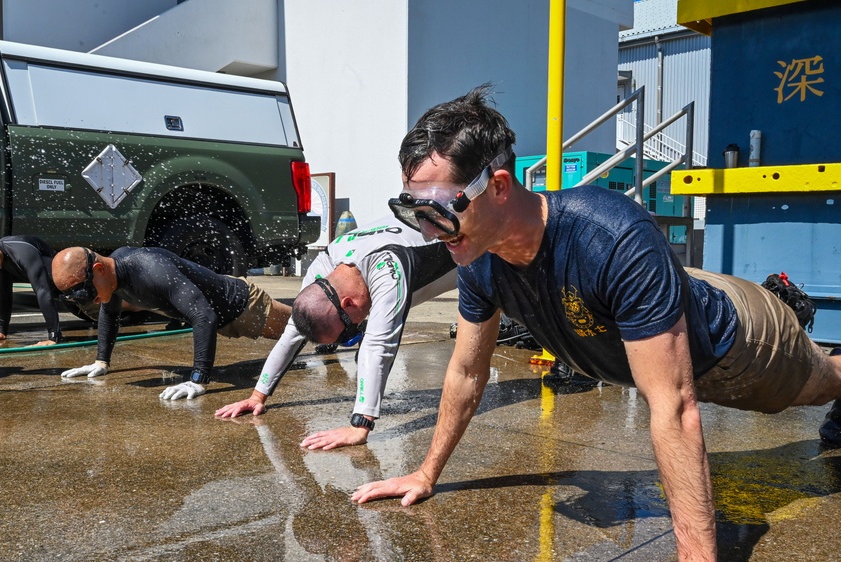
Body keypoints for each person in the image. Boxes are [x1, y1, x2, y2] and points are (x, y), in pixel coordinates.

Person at [351, 85, 841, 561]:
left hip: (741, 344)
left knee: (824, 384)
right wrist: (425, 473)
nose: (430, 232)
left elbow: (673, 409)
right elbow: (465, 373)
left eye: (438, 211)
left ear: (498, 187)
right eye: (414, 213)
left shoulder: (609, 236)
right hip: (667, 302)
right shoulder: (477, 256)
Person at [214, 217, 458, 450]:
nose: (349, 338)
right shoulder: (324, 266)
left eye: (347, 331)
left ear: (348, 304)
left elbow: (378, 346)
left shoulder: (387, 266)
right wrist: (258, 396)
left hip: (484, 246)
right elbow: (293, 333)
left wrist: (360, 425)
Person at [51, 246, 291, 399]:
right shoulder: (113, 278)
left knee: (314, 328)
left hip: (244, 307)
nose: (82, 301)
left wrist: (198, 380)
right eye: (71, 297)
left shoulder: (150, 268)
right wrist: (101, 361)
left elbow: (204, 316)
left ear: (99, 269)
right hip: (218, 316)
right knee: (313, 330)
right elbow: (110, 313)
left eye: (81, 292)